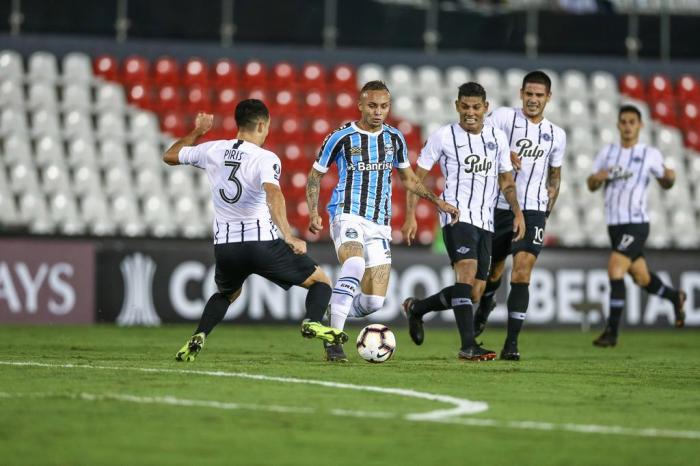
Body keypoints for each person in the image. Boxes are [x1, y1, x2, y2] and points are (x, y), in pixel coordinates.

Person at [165, 100, 348, 362]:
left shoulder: (212, 150)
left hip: (226, 247)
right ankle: (312, 321)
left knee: (227, 294)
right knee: (321, 283)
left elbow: (169, 155)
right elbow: (274, 194)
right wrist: (288, 235)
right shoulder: (265, 158)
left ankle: (200, 335)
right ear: (262, 125)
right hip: (261, 243)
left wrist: (197, 132)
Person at [306, 80, 459, 362]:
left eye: (384, 106)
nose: (379, 111)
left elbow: (409, 179)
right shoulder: (340, 137)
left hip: (379, 224)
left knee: (373, 303)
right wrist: (313, 211)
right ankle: (333, 343)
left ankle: (331, 312)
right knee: (354, 263)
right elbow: (315, 175)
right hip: (346, 212)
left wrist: (438, 202)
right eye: (373, 105)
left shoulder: (394, 138)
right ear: (361, 105)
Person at [401, 82, 525, 361]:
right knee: (466, 275)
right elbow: (414, 178)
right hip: (456, 216)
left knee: (476, 293)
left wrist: (516, 211)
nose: (470, 112)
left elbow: (506, 181)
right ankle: (468, 346)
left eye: (476, 107)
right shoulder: (443, 136)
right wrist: (410, 216)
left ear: (485, 108)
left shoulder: (498, 138)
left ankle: (417, 309)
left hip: (487, 221)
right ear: (457, 106)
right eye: (465, 106)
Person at [470, 70, 567, 361]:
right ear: (521, 93)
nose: (533, 100)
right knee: (492, 273)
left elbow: (555, 178)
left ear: (548, 97)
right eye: (529, 94)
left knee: (522, 271)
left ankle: (511, 344)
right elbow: (476, 136)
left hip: (534, 210)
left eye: (539, 95)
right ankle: (486, 305)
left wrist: (546, 213)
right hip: (498, 207)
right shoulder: (502, 118)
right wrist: (502, 151)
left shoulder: (556, 135)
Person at [587, 104, 686, 347]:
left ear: (640, 125)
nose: (628, 126)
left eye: (633, 121)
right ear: (618, 124)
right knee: (641, 277)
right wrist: (596, 178)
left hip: (637, 223)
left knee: (615, 268)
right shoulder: (607, 153)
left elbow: (667, 182)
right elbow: (591, 184)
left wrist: (669, 177)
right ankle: (675, 297)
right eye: (624, 121)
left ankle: (611, 332)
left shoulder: (649, 153)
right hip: (615, 225)